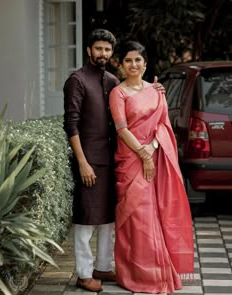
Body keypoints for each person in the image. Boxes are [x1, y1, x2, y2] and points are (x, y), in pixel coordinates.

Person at [109, 40, 194, 294]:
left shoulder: (156, 91)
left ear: (145, 64)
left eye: (138, 60)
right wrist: (143, 154)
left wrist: (152, 149)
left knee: (155, 214)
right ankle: (135, 274)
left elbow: (164, 125)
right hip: (131, 160)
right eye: (128, 60)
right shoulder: (118, 93)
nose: (133, 64)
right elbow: (121, 129)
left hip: (155, 157)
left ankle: (157, 272)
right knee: (136, 217)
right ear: (121, 65)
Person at [63, 29, 118, 292]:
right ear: (89, 50)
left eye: (107, 50)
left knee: (108, 218)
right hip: (88, 161)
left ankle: (103, 267)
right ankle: (84, 274)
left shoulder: (113, 81)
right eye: (98, 49)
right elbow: (71, 125)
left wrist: (155, 90)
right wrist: (82, 162)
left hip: (111, 160)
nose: (103, 54)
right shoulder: (77, 80)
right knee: (86, 220)